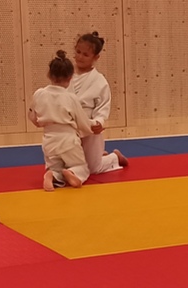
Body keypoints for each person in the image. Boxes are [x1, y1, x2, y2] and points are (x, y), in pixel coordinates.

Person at [30, 50, 94, 191]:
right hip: (68, 140)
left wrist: (40, 123)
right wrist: (90, 129)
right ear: (71, 77)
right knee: (81, 166)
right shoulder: (70, 97)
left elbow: (33, 117)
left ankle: (52, 174)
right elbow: (82, 122)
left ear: (49, 75)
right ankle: (72, 173)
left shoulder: (39, 94)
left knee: (55, 166)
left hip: (49, 140)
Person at [68, 32, 129, 176]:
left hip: (90, 127)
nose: (80, 57)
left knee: (92, 169)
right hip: (68, 126)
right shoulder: (66, 74)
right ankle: (100, 155)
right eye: (78, 52)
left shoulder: (99, 81)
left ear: (96, 58)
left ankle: (114, 158)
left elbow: (103, 106)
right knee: (69, 166)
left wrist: (99, 121)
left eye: (85, 54)